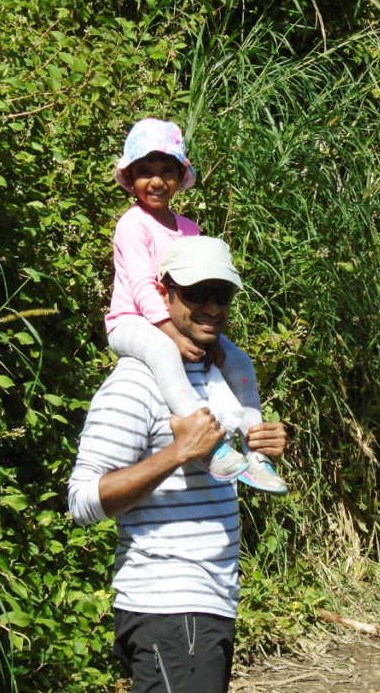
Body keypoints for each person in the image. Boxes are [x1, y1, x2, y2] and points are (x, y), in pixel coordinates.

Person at [68, 236, 289, 692]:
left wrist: (261, 447)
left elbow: (228, 469)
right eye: (195, 293)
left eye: (221, 294)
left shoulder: (221, 373)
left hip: (213, 601)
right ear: (164, 293)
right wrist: (177, 453)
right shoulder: (136, 380)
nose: (211, 307)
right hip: (167, 606)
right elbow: (82, 501)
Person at [104, 117, 286, 494]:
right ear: (131, 177)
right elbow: (140, 286)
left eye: (166, 171)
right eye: (145, 172)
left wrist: (208, 339)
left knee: (238, 360)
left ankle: (256, 448)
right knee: (163, 352)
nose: (156, 181)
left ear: (178, 176)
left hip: (176, 323)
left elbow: (198, 285)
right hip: (133, 323)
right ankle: (210, 445)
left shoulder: (189, 228)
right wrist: (170, 332)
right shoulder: (132, 225)